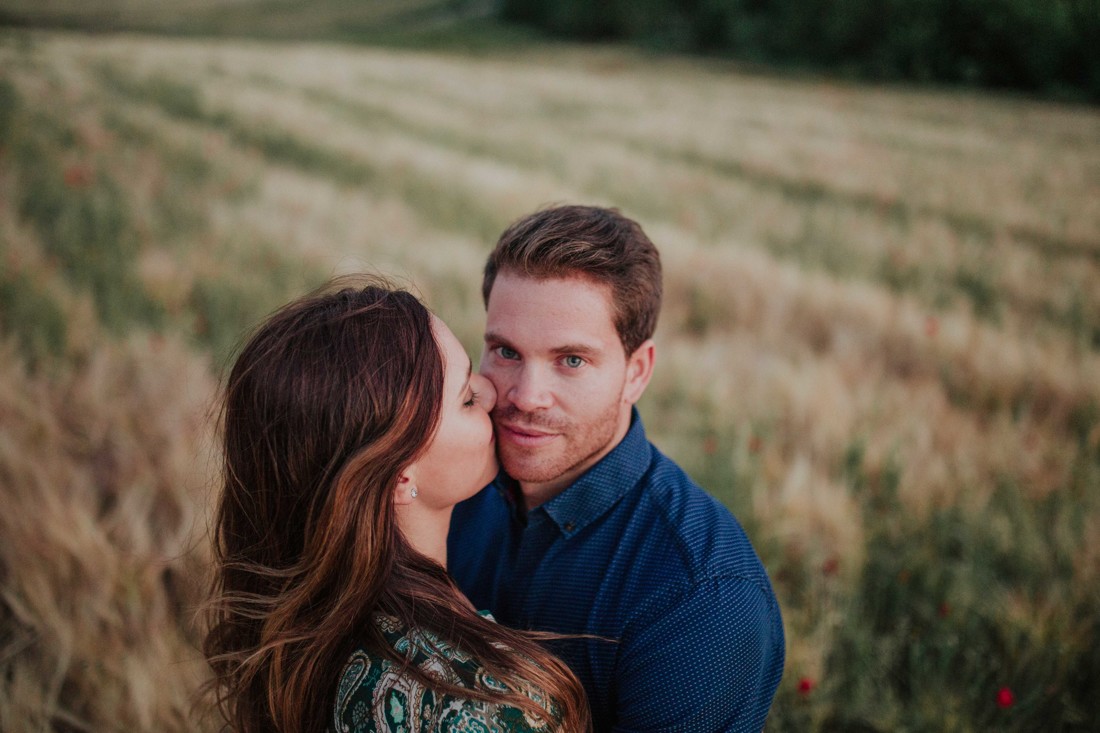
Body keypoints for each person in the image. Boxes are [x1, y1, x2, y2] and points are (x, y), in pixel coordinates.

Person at [448, 206, 786, 731]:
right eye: (507, 351)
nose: (526, 396)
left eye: (572, 360)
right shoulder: (449, 482)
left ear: (637, 372)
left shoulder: (701, 601)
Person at [202, 276, 590, 733]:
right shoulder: (482, 707)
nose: (490, 391)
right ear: (400, 474)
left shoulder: (304, 627)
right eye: (466, 399)